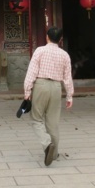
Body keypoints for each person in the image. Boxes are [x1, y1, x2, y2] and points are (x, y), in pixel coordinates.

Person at [23, 26, 74, 166]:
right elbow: (67, 77)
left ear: (47, 37)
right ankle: (54, 153)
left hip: (41, 85)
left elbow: (31, 72)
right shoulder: (64, 55)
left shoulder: (40, 51)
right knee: (53, 122)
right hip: (57, 87)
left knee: (36, 118)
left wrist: (27, 92)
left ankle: (47, 144)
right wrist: (69, 96)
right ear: (61, 39)